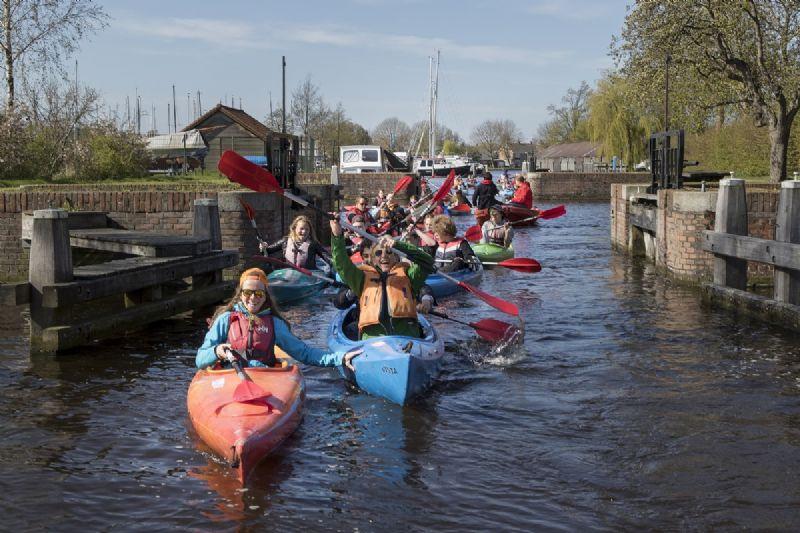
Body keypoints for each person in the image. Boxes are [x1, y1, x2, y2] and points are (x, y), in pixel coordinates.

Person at [196, 268, 359, 370]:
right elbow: (200, 359)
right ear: (240, 295)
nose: (253, 298)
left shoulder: (275, 324)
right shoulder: (225, 320)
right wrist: (216, 351)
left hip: (264, 374)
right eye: (248, 293)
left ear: (265, 296)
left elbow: (304, 353)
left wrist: (339, 358)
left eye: (258, 293)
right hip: (230, 373)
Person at [330, 219, 435, 339]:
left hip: (406, 338)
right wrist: (337, 236)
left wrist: (398, 245)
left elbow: (427, 261)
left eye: (390, 252)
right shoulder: (362, 277)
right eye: (379, 253)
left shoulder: (409, 275)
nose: (384, 256)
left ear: (396, 257)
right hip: (372, 341)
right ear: (372, 259)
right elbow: (341, 264)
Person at [262, 215, 332, 270]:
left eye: (307, 229)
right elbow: (267, 251)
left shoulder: (313, 244)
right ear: (294, 228)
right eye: (301, 228)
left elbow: (327, 257)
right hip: (289, 275)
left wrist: (337, 264)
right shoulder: (285, 241)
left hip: (308, 277)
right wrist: (263, 247)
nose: (304, 232)